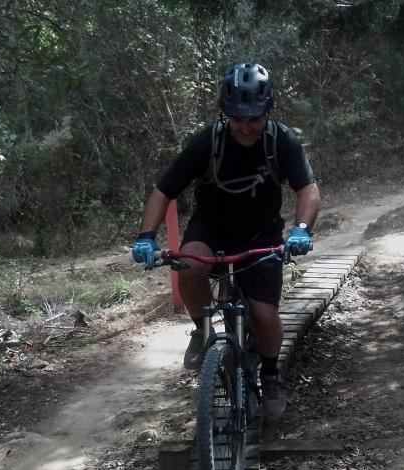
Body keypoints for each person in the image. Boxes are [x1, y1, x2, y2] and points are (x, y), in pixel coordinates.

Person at [131, 62, 321, 419]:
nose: (246, 127)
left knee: (264, 314)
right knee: (187, 265)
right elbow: (163, 191)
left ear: (268, 111)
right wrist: (145, 237)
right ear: (225, 114)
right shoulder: (208, 142)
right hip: (211, 229)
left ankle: (269, 373)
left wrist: (301, 230)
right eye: (237, 119)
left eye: (254, 118)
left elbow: (308, 191)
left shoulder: (281, 141)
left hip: (260, 235)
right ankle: (202, 330)